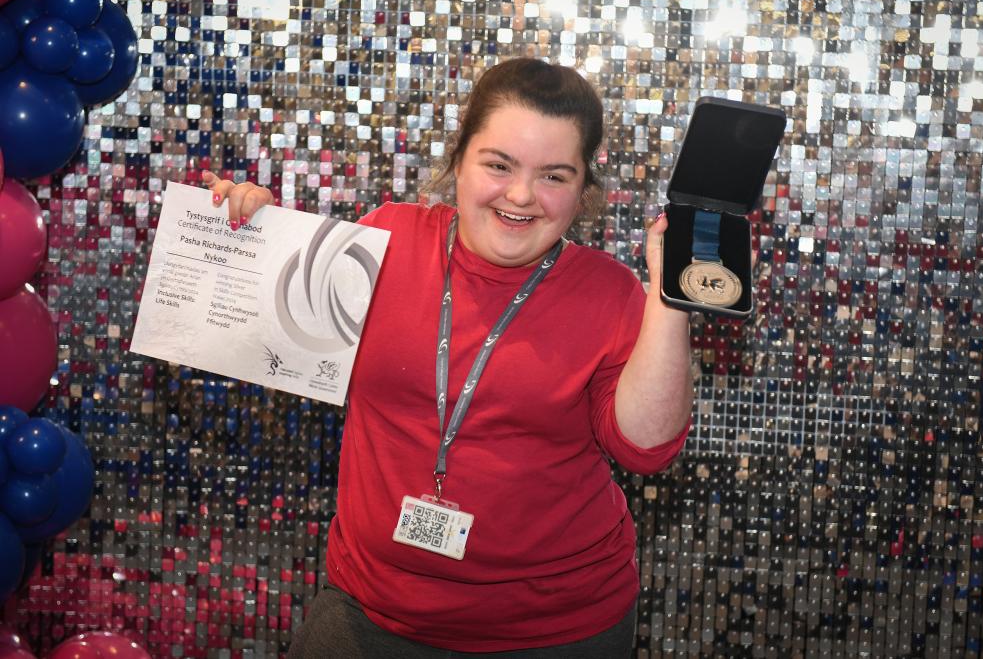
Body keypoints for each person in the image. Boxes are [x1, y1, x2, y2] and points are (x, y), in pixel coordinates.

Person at [203, 57, 693, 658]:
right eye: (499, 165)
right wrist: (246, 238)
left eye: (554, 176)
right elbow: (276, 337)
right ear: (460, 159)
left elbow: (645, 448)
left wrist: (671, 298)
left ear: (583, 190)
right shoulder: (381, 243)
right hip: (369, 612)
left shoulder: (610, 292)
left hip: (557, 628)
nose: (520, 196)